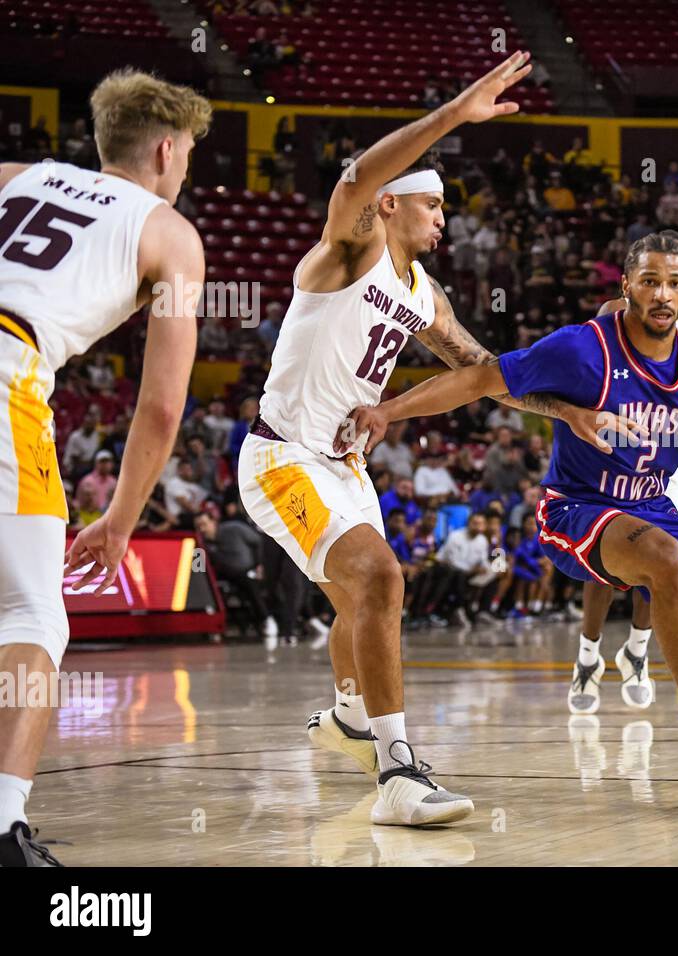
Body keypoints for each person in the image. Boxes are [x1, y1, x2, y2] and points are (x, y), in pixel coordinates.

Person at [238, 53, 624, 829]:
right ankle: (397, 773)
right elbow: (350, 180)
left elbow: (485, 370)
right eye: (433, 206)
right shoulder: (350, 249)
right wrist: (453, 114)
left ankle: (351, 719)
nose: (445, 218)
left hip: (343, 466)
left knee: (361, 604)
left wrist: (568, 414)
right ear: (390, 206)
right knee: (380, 581)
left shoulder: (424, 294)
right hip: (283, 454)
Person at [340, 230, 678, 790]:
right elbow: (480, 379)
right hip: (575, 508)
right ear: (626, 285)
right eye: (649, 281)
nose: (661, 294)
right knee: (666, 559)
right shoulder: (583, 349)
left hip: (652, 507)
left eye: (674, 283)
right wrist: (392, 409)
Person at [0, 69, 209, 867]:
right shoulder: (168, 233)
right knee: (30, 618)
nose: (185, 170)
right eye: (187, 155)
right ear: (164, 149)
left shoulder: (16, 178)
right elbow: (160, 407)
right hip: (10, 366)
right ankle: (2, 830)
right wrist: (121, 519)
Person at [564, 293, 678, 716]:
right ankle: (588, 654)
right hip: (619, 438)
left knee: (661, 562)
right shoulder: (611, 313)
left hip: (669, 452)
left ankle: (636, 651)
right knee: (606, 558)